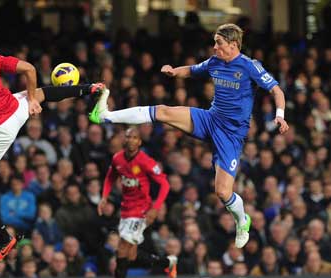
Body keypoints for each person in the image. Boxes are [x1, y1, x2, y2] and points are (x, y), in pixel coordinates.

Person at [90, 23, 289, 249]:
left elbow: (276, 90)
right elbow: (193, 69)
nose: (215, 47)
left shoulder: (250, 66)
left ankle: (242, 220)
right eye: (215, 42)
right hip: (210, 119)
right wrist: (175, 71)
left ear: (233, 45)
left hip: (231, 135)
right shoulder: (215, 62)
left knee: (223, 192)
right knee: (164, 111)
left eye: (219, 43)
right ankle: (106, 116)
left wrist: (280, 115)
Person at [0, 24, 103, 267]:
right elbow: (29, 68)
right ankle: (89, 88)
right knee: (39, 93)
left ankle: (2, 238)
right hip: (13, 108)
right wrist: (29, 101)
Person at [98, 127, 176, 278]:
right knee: (131, 256)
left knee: (121, 248)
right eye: (128, 137)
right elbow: (111, 176)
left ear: (139, 141)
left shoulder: (145, 161)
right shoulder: (117, 158)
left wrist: (155, 208)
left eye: (135, 137)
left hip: (142, 210)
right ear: (124, 140)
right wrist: (104, 197)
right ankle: (167, 262)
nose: (131, 140)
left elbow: (165, 184)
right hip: (126, 209)